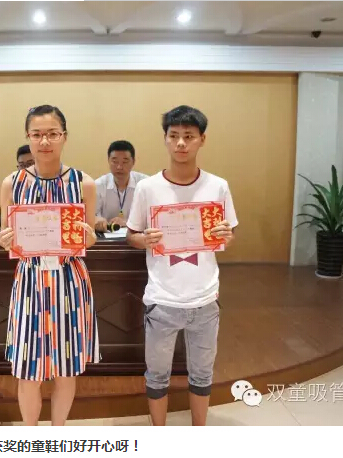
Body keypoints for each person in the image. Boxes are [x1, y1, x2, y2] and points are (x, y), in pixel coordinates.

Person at [125, 105, 238, 426]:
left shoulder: (218, 186)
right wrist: (144, 239)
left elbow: (229, 235)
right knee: (157, 376)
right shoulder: (148, 188)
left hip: (205, 299)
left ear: (202, 139)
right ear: (165, 139)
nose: (181, 143)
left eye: (189, 136)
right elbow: (132, 236)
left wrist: (226, 236)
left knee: (202, 374)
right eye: (174, 136)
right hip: (162, 299)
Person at [0, 105, 100, 426]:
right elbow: (5, 234)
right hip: (30, 281)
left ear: (64, 137)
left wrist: (90, 238)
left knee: (66, 367)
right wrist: (4, 239)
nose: (44, 141)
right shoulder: (12, 183)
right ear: (28, 137)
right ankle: (32, 437)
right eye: (37, 134)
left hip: (70, 280)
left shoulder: (83, 183)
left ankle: (58, 434)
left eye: (52, 134)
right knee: (29, 369)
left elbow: (89, 238)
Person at [95, 140, 148, 232]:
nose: (119, 167)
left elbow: (150, 217)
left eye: (125, 162)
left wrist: (127, 223)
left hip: (137, 235)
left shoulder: (144, 184)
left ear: (133, 162)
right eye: (115, 161)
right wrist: (97, 221)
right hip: (107, 235)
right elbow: (92, 215)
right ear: (108, 161)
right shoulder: (98, 185)